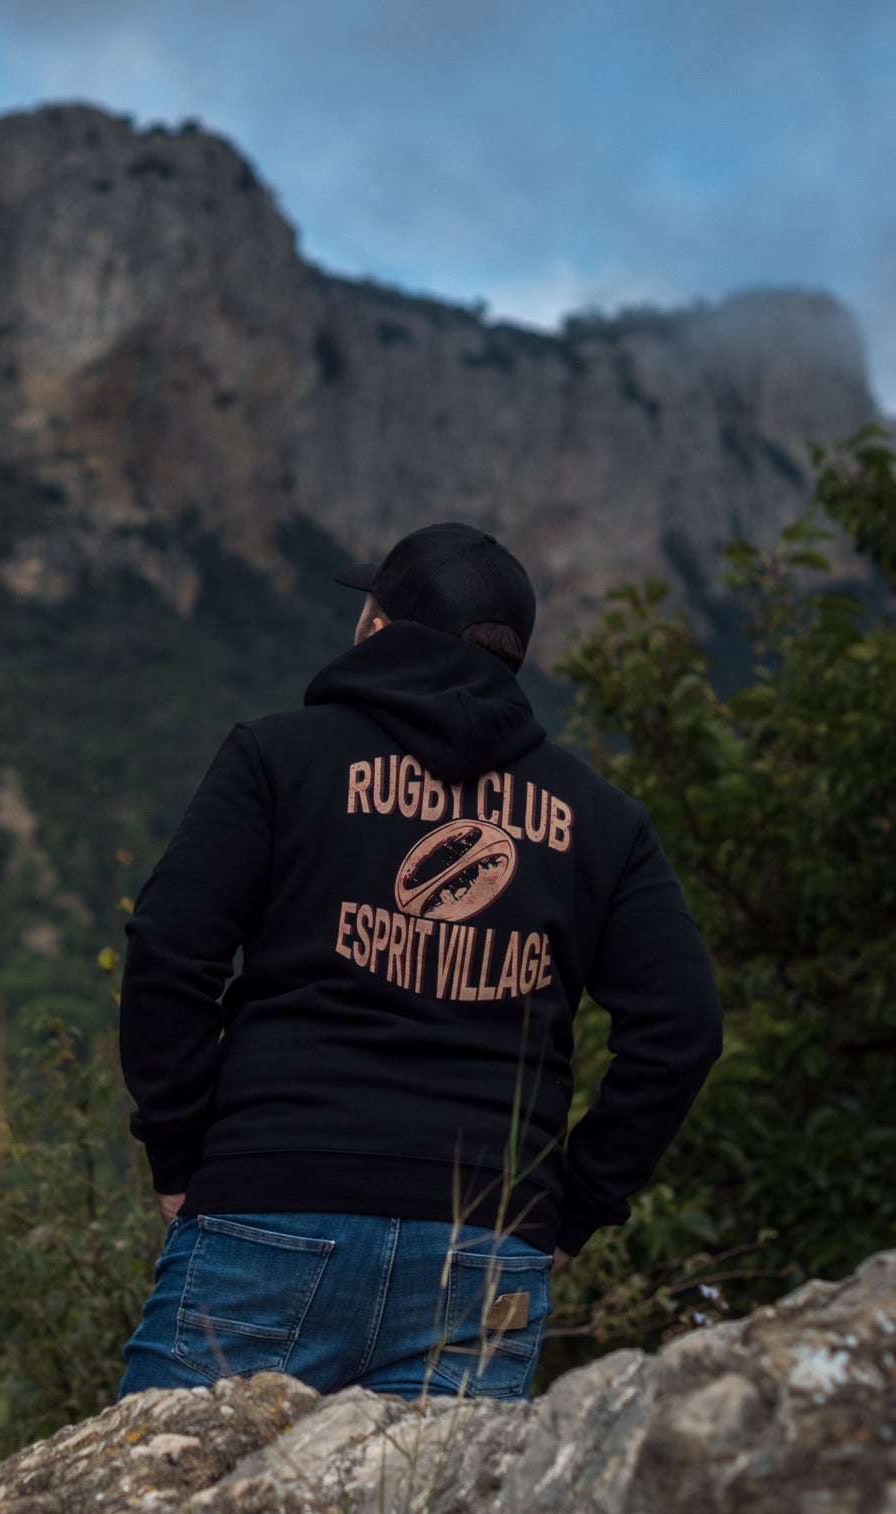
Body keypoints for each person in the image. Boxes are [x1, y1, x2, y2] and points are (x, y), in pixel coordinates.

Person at [116, 521, 723, 1402]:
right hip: (482, 1249)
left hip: (270, 1206)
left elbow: (171, 953)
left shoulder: (277, 757)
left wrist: (177, 1157)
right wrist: (570, 1209)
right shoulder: (600, 820)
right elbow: (683, 1030)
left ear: (374, 629)